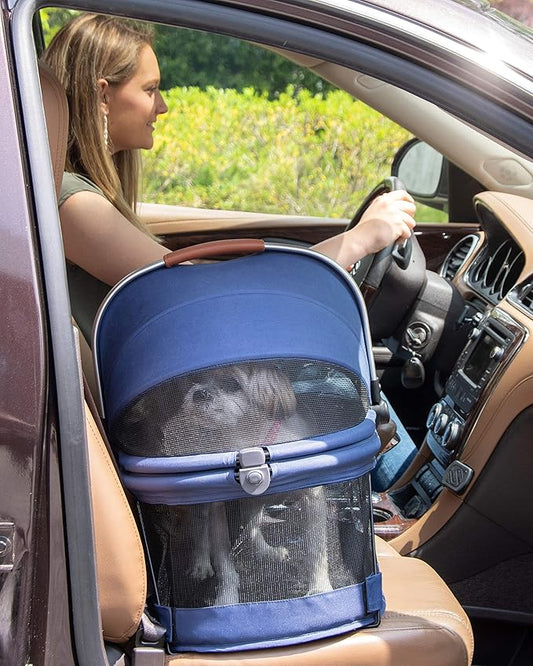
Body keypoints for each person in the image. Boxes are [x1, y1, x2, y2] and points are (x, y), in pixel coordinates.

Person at [42, 13, 417, 489]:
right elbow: (201, 292)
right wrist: (359, 240)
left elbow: (197, 284)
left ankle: (406, 498)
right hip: (158, 406)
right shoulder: (72, 202)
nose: (163, 106)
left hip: (166, 381)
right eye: (151, 89)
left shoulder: (84, 193)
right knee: (337, 385)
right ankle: (416, 501)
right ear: (101, 95)